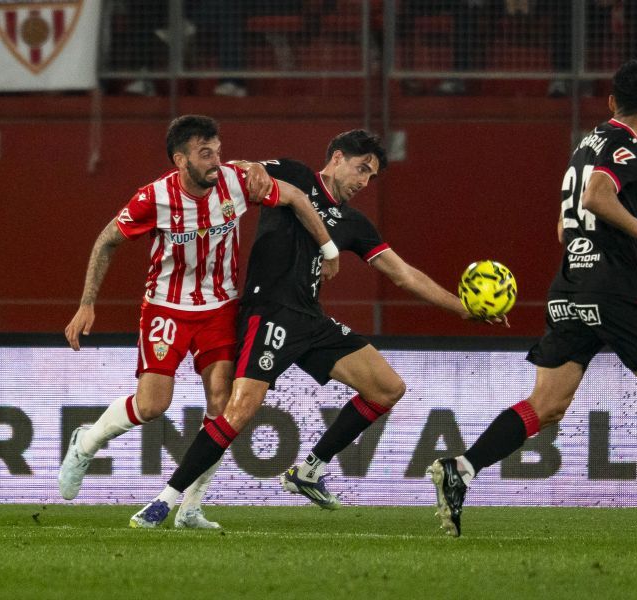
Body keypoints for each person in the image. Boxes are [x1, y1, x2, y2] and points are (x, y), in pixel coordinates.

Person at [129, 129, 507, 527]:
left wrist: (463, 308)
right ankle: (164, 501)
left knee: (387, 388)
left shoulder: (355, 223)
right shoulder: (295, 174)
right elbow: (244, 171)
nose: (364, 182)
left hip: (310, 320)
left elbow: (404, 275)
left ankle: (310, 470)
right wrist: (252, 167)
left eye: (371, 177)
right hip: (269, 312)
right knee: (236, 412)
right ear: (338, 158)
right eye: (361, 169)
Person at [428, 61, 637, 540]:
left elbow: (567, 225)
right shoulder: (627, 146)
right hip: (612, 292)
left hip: (570, 285)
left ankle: (461, 469)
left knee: (546, 405)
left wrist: (631, 236)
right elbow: (595, 197)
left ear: (611, 101)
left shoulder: (584, 146)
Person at [59, 115, 339, 529]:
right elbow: (106, 241)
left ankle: (190, 508)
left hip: (221, 308)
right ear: (180, 160)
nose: (215, 161)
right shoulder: (152, 199)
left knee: (222, 405)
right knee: (154, 405)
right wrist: (87, 305)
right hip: (165, 308)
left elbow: (297, 196)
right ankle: (87, 441)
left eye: (219, 152)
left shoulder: (235, 183)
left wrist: (329, 249)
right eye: (205, 153)